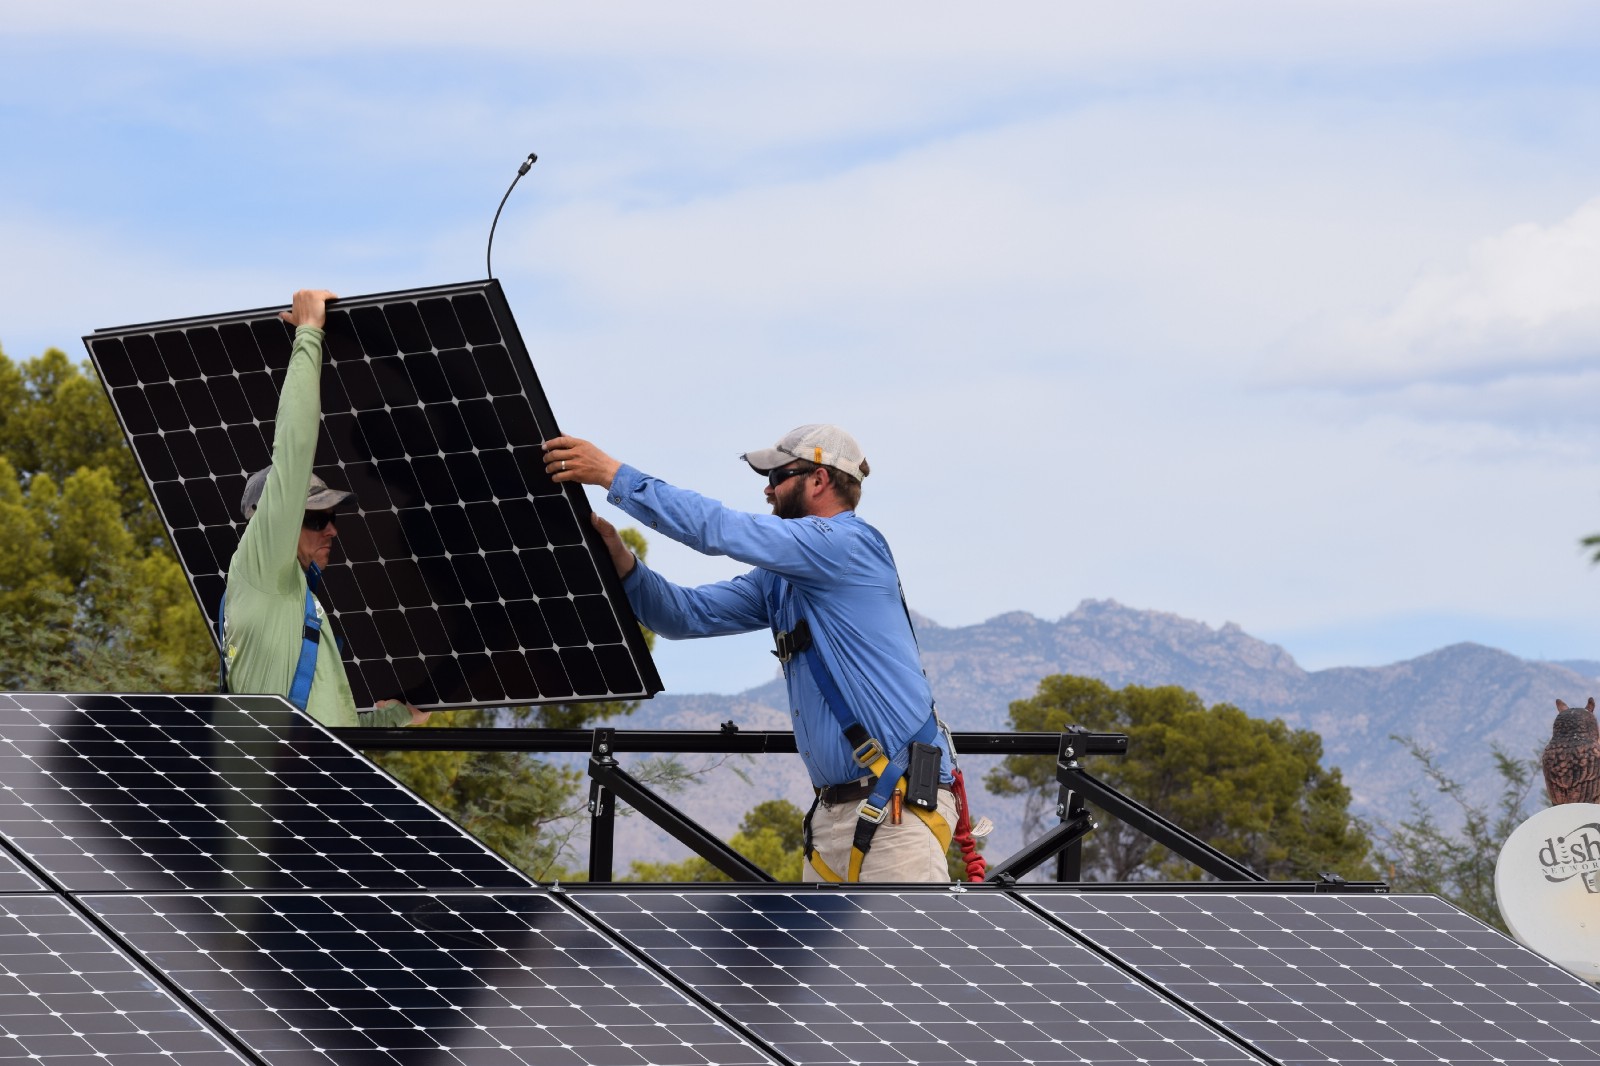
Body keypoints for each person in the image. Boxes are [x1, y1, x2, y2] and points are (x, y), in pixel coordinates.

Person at [542, 424, 962, 882]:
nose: (767, 488)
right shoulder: (779, 579)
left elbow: (721, 529)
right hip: (833, 816)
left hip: (895, 811)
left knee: (896, 954)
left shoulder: (846, 545)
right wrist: (624, 562)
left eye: (779, 475)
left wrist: (612, 476)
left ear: (819, 480)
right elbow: (685, 615)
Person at [221, 288, 426, 729]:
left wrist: (390, 720)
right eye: (315, 518)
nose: (331, 530)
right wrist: (309, 336)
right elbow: (293, 449)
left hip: (313, 786)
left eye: (331, 517)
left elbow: (328, 740)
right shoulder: (259, 568)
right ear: (270, 520)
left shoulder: (293, 599)